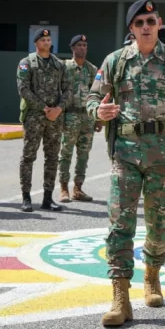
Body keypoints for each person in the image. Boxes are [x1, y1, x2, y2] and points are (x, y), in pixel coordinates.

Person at [87, 0, 165, 326]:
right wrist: (98, 111)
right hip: (125, 153)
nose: (146, 27)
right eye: (139, 23)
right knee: (119, 223)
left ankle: (151, 274)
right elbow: (92, 97)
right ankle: (120, 298)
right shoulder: (115, 61)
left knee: (159, 223)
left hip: (164, 156)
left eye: (150, 20)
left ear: (160, 23)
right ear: (131, 29)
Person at [17, 28, 71, 213]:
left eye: (48, 39)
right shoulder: (27, 63)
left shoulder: (59, 64)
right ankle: (26, 197)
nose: (46, 42)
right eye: (43, 40)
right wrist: (44, 108)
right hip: (34, 117)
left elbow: (68, 89)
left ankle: (48, 198)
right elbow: (23, 89)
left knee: (52, 157)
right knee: (29, 156)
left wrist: (58, 108)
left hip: (54, 118)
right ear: (36, 43)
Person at [58, 35, 101, 203]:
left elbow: (97, 93)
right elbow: (58, 91)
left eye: (85, 45)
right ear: (72, 48)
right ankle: (63, 189)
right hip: (70, 115)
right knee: (66, 153)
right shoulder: (65, 67)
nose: (83, 48)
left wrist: (98, 118)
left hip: (87, 117)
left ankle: (78, 188)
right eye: (79, 45)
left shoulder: (92, 69)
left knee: (83, 154)